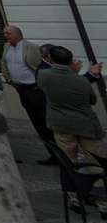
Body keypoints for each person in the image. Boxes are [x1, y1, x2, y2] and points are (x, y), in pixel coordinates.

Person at [38, 47, 105, 199]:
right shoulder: (81, 80)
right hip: (86, 125)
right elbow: (92, 100)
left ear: (50, 58)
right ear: (71, 60)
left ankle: (75, 198)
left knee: (68, 162)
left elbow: (48, 87)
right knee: (96, 163)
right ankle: (102, 201)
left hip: (61, 125)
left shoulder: (43, 75)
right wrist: (79, 74)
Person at [1, 24, 56, 162]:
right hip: (22, 89)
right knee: (37, 122)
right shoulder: (6, 47)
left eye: (8, 33)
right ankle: (53, 154)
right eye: (4, 33)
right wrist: (9, 79)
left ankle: (59, 153)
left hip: (36, 89)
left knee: (47, 122)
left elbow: (44, 66)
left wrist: (41, 83)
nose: (5, 35)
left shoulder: (32, 48)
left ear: (18, 35)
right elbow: (4, 63)